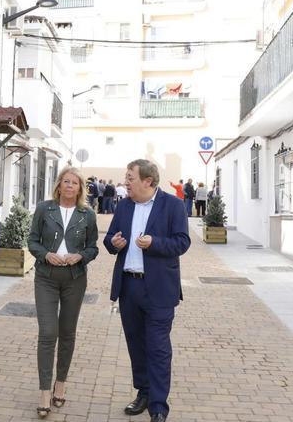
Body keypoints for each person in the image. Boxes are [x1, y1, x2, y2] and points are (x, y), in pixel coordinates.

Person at [104, 159, 191, 422]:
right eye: (126, 176)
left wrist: (154, 243)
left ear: (148, 181)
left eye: (130, 177)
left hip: (159, 290)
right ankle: (143, 392)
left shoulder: (173, 205)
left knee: (158, 347)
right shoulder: (124, 205)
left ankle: (158, 407)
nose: (126, 181)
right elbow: (109, 239)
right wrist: (114, 243)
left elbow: (182, 242)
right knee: (136, 344)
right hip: (129, 286)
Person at [28, 166, 99, 418]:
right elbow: (32, 240)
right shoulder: (44, 209)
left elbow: (93, 248)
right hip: (45, 277)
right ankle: (44, 391)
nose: (70, 186)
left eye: (75, 183)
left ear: (80, 188)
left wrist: (79, 255)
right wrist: (46, 254)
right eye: (66, 181)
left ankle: (61, 383)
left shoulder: (87, 214)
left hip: (74, 279)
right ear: (59, 185)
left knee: (67, 333)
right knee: (48, 332)